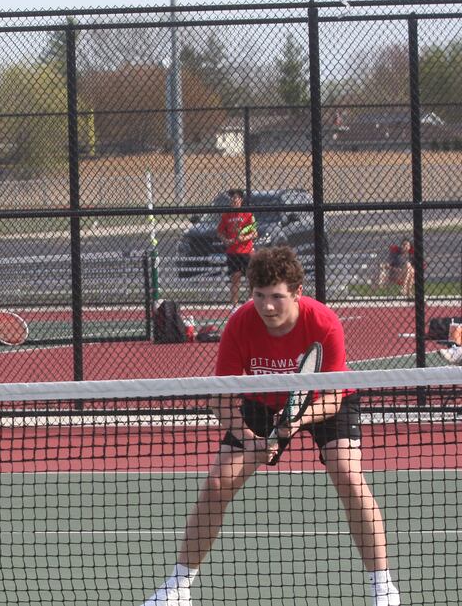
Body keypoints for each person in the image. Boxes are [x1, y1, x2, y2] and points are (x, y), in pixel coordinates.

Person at [142, 246, 400, 606]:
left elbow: (334, 397)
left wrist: (294, 422)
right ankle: (177, 587)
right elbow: (219, 399)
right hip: (261, 402)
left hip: (321, 403)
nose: (267, 307)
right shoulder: (240, 323)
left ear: (296, 293)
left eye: (277, 297)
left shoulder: (323, 322)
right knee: (217, 483)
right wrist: (249, 440)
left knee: (348, 475)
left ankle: (383, 588)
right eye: (259, 296)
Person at [216, 189, 257, 308]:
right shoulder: (226, 215)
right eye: (232, 199)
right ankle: (234, 305)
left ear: (241, 200)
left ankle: (250, 302)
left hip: (246, 251)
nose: (233, 201)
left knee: (251, 277)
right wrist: (226, 240)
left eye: (236, 198)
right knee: (235, 278)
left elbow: (254, 233)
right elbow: (220, 232)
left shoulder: (248, 214)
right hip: (233, 252)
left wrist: (243, 238)